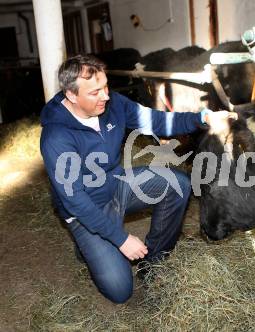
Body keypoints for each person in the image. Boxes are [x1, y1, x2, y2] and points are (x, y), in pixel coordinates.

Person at [40, 55, 237, 303]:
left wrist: (203, 118)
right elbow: (76, 201)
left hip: (116, 185)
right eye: (95, 92)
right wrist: (121, 239)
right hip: (84, 210)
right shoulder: (56, 137)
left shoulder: (113, 106)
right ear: (71, 95)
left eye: (106, 87)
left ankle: (153, 262)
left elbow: (158, 121)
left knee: (178, 185)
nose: (106, 96)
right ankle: (88, 243)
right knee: (120, 291)